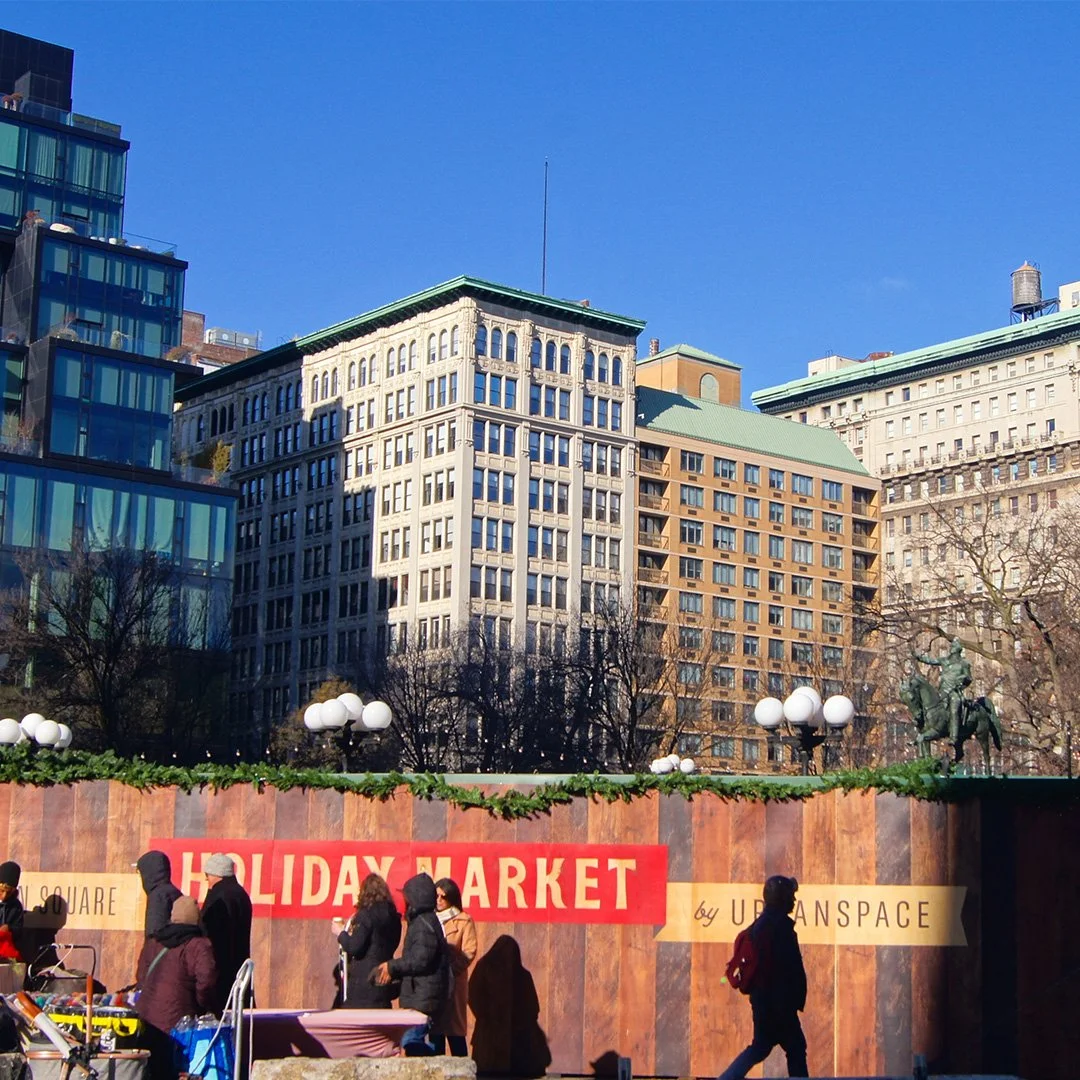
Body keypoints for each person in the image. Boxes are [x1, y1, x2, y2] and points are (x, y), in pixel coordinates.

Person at [717, 875, 808, 1080]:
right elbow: (781, 968)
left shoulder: (766, 925)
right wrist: (784, 1001)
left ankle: (727, 1078)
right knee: (794, 1047)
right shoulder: (777, 927)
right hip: (776, 1002)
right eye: (790, 896)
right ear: (780, 898)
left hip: (768, 1001)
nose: (793, 900)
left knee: (762, 1047)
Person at [135, 895, 218, 1080]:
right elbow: (207, 982)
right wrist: (204, 1007)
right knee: (173, 1072)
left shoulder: (154, 941)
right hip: (178, 1024)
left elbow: (141, 978)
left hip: (146, 1019)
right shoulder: (198, 945)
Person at [372, 873, 449, 1056]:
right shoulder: (422, 921)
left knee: (410, 1041)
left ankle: (436, 1062)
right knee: (415, 1041)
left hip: (423, 998)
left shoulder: (423, 923)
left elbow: (421, 959)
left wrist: (392, 967)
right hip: (422, 995)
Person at [332, 873, 401, 1008]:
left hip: (363, 982)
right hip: (383, 979)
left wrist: (341, 933)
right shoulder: (394, 917)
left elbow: (354, 946)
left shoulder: (366, 914)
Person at [429, 878, 477, 1056]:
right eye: (436, 896)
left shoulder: (464, 920)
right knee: (435, 1034)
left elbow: (469, 951)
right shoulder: (430, 919)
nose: (439, 900)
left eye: (444, 896)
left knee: (455, 1034)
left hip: (454, 983)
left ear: (452, 898)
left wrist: (450, 970)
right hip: (434, 983)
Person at [200, 853, 252, 1010]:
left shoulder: (218, 897)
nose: (206, 880)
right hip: (238, 966)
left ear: (216, 874)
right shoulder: (240, 893)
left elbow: (210, 932)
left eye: (207, 875)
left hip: (220, 969)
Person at [914, 638, 972, 744]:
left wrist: (963, 680)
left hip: (954, 691)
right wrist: (919, 657)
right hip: (942, 691)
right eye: (951, 647)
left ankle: (954, 736)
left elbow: (969, 678)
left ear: (958, 650)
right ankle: (924, 728)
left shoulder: (964, 663)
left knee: (955, 706)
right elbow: (931, 661)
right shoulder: (945, 660)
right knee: (927, 704)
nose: (951, 649)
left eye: (953, 647)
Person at [136, 851, 182, 939]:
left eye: (140, 873)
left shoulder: (158, 896)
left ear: (148, 872)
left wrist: (150, 950)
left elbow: (154, 932)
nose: (140, 878)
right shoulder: (172, 891)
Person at [0, 862, 24, 961]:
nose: (4, 896)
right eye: (1, 891)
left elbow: (18, 930)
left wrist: (9, 929)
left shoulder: (16, 906)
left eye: (8, 892)